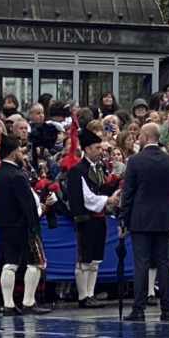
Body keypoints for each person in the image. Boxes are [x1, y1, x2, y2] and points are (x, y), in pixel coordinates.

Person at [118, 123, 169, 322]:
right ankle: (167, 308)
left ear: (146, 136)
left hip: (141, 219)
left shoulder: (135, 161)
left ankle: (139, 308)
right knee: (164, 263)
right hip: (164, 219)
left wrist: (123, 219)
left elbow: (128, 193)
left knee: (141, 264)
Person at [0, 134, 50, 316]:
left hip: (4, 226)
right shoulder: (16, 175)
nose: (22, 154)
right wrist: (34, 226)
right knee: (36, 262)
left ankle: (8, 304)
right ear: (13, 152)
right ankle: (28, 302)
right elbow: (28, 205)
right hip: (23, 226)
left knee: (10, 263)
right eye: (19, 151)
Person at [67, 129, 120, 309]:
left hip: (99, 218)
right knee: (85, 258)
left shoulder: (98, 168)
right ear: (87, 149)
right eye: (97, 147)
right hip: (86, 219)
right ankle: (83, 296)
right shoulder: (77, 170)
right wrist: (107, 199)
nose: (100, 151)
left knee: (96, 258)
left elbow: (100, 189)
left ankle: (91, 294)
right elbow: (86, 196)